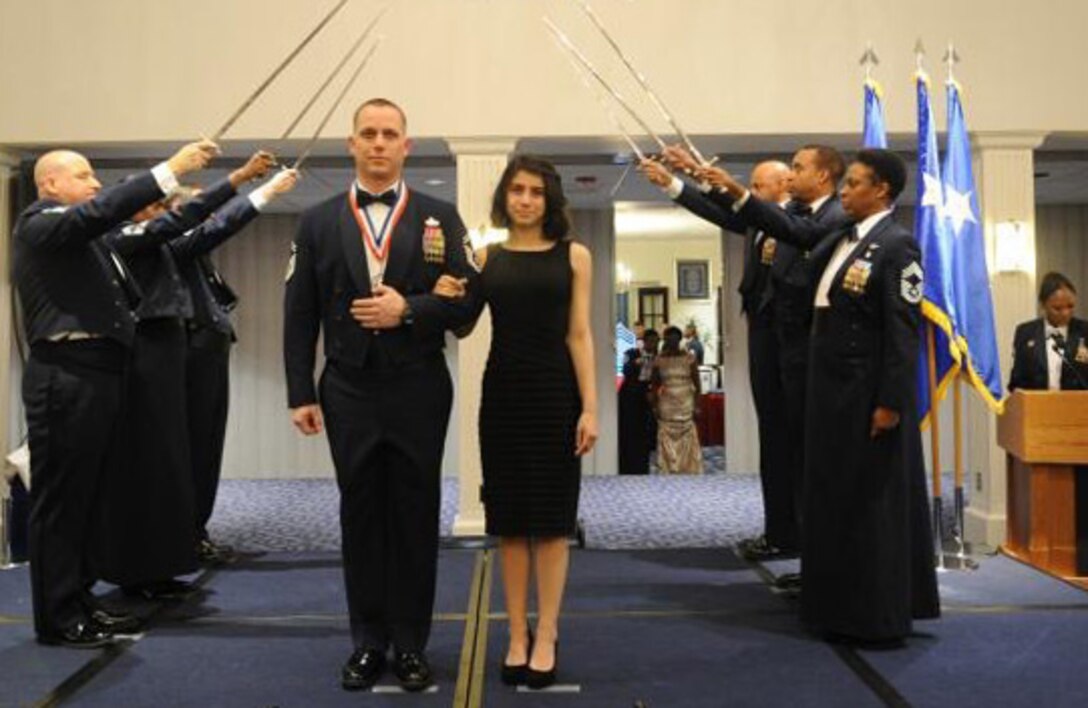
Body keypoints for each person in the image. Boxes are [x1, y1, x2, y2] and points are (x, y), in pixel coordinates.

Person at [283, 98, 479, 692]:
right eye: (367, 133)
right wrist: (299, 392)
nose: (377, 142)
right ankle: (368, 643)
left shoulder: (440, 215)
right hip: (346, 387)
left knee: (415, 515)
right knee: (360, 515)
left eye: (389, 133)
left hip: (419, 385)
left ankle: (412, 644)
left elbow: (470, 301)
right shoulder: (316, 221)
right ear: (351, 144)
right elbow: (299, 314)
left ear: (406, 146)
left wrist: (411, 309)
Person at [14, 141, 216, 647]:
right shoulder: (40, 224)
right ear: (51, 185)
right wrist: (169, 170)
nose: (95, 184)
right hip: (66, 373)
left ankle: (82, 600)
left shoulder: (83, 238)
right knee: (61, 504)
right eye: (83, 175)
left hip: (98, 370)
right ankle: (58, 617)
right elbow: (105, 210)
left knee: (87, 498)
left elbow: (131, 223)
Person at [757, 148, 940, 645]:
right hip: (832, 391)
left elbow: (903, 333)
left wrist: (891, 402)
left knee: (870, 507)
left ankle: (875, 617)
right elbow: (791, 231)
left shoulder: (898, 245)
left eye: (854, 183)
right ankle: (835, 608)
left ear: (880, 190)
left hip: (865, 396)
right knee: (834, 501)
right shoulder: (842, 234)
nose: (844, 191)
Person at [433, 154, 597, 690]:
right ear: (504, 197)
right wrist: (445, 294)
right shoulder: (486, 258)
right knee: (508, 526)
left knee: (551, 525)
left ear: (549, 201)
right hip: (502, 397)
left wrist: (591, 407)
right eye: (516, 190)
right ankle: (517, 634)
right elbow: (461, 327)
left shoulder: (575, 257)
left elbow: (579, 335)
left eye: (535, 192)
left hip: (555, 398)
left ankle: (547, 632)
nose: (524, 199)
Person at [640, 157, 798, 558]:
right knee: (773, 442)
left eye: (760, 187)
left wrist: (701, 179)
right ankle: (779, 532)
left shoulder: (798, 223)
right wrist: (677, 184)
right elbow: (720, 212)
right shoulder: (761, 222)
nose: (753, 193)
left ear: (785, 186)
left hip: (790, 341)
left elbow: (735, 206)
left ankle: (792, 535)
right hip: (764, 333)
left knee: (788, 444)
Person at [169, 163, 300, 566]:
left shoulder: (194, 252)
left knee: (206, 449)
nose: (208, 219)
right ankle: (184, 535)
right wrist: (265, 192)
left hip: (207, 347)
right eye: (200, 211)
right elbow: (217, 228)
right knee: (192, 449)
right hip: (189, 350)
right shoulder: (173, 243)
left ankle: (195, 531)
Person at [1009, 272, 1088, 391]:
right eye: (1057, 308)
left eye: (1070, 306)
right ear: (1043, 305)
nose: (1065, 313)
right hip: (1037, 406)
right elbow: (1017, 381)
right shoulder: (1026, 332)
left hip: (1077, 406)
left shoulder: (1084, 331)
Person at [651, 326, 702, 474]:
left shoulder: (689, 358)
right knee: (666, 433)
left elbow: (697, 384)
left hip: (686, 400)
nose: (672, 341)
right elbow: (654, 384)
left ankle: (688, 468)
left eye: (675, 338)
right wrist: (654, 405)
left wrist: (697, 405)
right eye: (669, 338)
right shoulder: (659, 359)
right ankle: (668, 467)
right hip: (666, 402)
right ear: (665, 340)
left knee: (687, 432)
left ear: (680, 339)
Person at [618, 329, 659, 475]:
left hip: (645, 402)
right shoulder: (631, 353)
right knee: (628, 433)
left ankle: (642, 467)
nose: (653, 344)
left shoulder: (657, 358)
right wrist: (638, 362)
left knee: (644, 435)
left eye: (656, 341)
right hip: (628, 399)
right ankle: (625, 467)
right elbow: (625, 370)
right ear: (644, 341)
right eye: (651, 341)